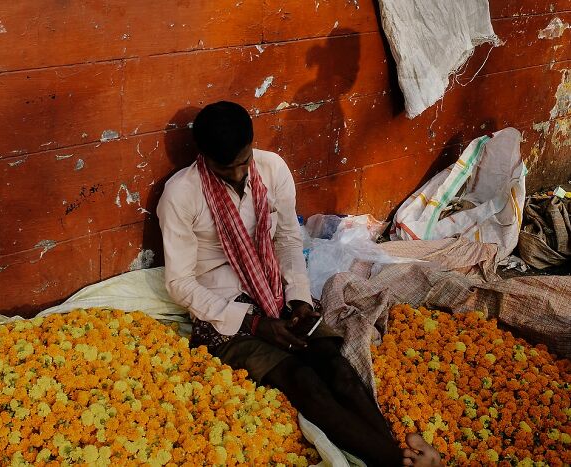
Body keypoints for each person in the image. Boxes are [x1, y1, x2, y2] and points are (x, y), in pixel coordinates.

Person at [156, 101, 441, 467]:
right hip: (226, 311)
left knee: (337, 370)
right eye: (226, 169)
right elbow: (179, 283)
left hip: (276, 292)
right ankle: (394, 461)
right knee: (302, 379)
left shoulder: (272, 169)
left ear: (252, 145)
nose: (240, 174)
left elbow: (289, 240)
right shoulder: (181, 194)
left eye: (244, 162)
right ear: (204, 158)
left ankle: (393, 452)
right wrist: (254, 323)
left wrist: (299, 298)